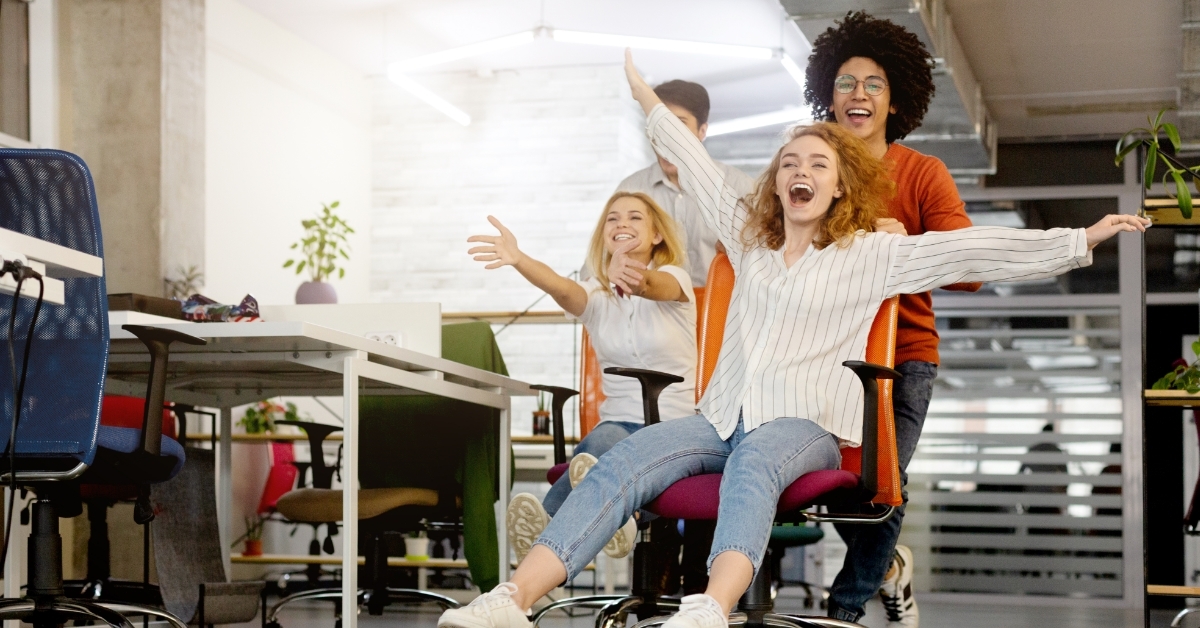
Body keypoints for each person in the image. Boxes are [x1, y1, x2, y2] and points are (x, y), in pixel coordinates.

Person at [436, 51, 1149, 628]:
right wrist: (646, 99)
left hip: (806, 424)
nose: (799, 174)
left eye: (816, 166)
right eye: (788, 165)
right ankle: (512, 602)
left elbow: (975, 253)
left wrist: (1079, 240)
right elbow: (700, 165)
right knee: (629, 459)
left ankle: (709, 610)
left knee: (753, 465)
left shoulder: (874, 252)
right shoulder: (751, 240)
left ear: (841, 187)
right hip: (720, 414)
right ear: (775, 185)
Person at [803, 11, 983, 625]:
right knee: (834, 487)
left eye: (874, 83)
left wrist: (906, 239)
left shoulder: (921, 173)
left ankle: (844, 609)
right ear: (828, 94)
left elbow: (970, 269)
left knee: (880, 486)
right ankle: (888, 569)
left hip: (902, 357)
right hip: (822, 356)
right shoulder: (811, 170)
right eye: (846, 82)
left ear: (894, 98)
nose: (858, 94)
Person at [466, 191, 697, 562]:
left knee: (606, 449)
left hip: (673, 426)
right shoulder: (596, 294)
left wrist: (630, 276)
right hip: (617, 424)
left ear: (657, 236)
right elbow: (562, 288)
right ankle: (605, 517)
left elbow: (652, 286)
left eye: (635, 218)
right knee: (605, 438)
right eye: (613, 218)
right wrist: (519, 259)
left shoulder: (675, 279)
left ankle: (558, 522)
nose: (622, 223)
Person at [607, 79, 755, 288]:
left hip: (723, 311)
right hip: (655, 311)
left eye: (678, 126)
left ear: (702, 131)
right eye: (659, 126)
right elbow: (599, 261)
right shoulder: (630, 190)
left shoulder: (739, 188)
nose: (668, 138)